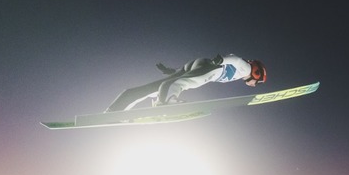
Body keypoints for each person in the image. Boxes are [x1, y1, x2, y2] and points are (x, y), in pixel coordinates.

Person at [105, 54, 267, 112]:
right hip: (213, 68)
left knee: (153, 88)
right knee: (186, 82)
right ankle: (167, 101)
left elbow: (186, 71)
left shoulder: (243, 72)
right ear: (257, 73)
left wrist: (171, 71)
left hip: (199, 63)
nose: (254, 85)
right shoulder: (246, 69)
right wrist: (221, 60)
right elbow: (236, 59)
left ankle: (116, 108)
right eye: (257, 82)